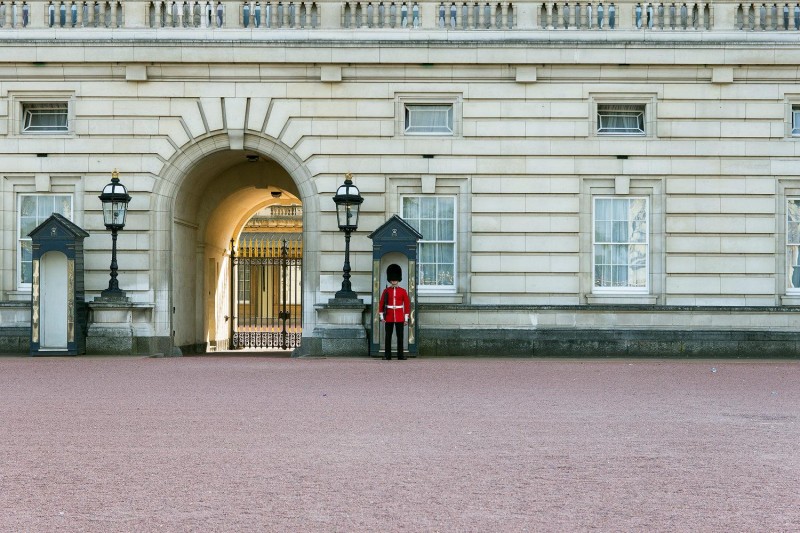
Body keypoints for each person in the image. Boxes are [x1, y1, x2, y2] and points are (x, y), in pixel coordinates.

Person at [378, 264, 410, 360]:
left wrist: (406, 319)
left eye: (395, 279)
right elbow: (381, 304)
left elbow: (407, 305)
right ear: (390, 280)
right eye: (392, 279)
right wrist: (382, 317)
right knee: (388, 337)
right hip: (389, 316)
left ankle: (400, 355)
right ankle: (387, 355)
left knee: (400, 337)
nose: (394, 281)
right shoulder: (386, 291)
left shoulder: (403, 291)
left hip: (399, 316)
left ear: (398, 279)